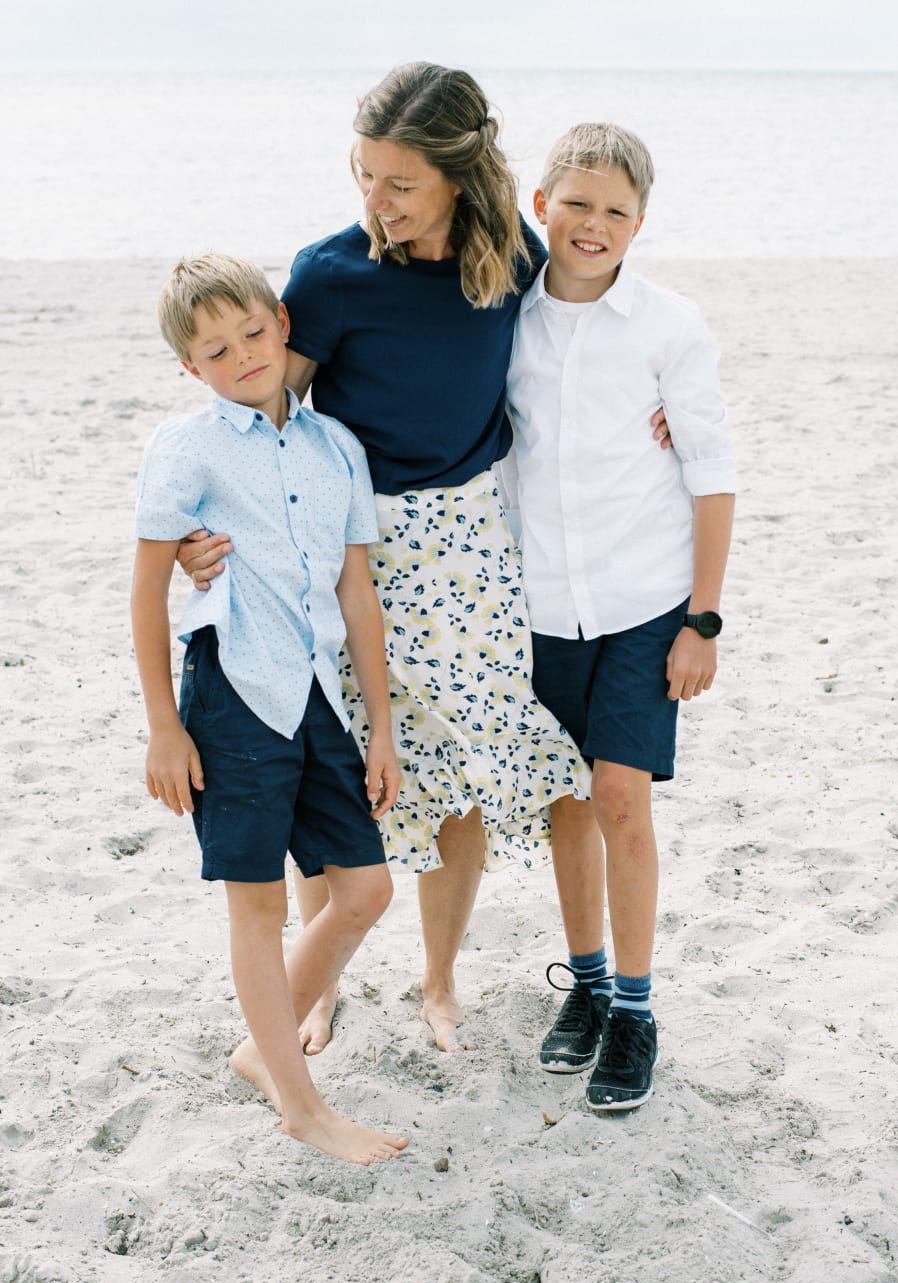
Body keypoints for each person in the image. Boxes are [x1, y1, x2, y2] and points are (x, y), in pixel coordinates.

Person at [180, 63, 605, 1054]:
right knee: (331, 765)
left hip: (468, 545)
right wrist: (207, 520)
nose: (376, 202)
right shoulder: (328, 274)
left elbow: (568, 361)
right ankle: (319, 984)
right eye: (364, 175)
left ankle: (439, 980)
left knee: (453, 772)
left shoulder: (510, 258)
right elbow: (259, 403)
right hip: (343, 542)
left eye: (399, 183)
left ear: (459, 176)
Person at [131, 254, 409, 1164]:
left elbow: (356, 591)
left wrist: (383, 723)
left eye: (253, 332)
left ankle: (266, 1044)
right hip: (233, 696)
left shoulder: (339, 449)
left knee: (366, 887)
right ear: (192, 368)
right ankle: (301, 1103)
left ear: (281, 323)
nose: (243, 355)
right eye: (216, 349)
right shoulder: (186, 447)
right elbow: (145, 590)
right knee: (255, 907)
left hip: (321, 694)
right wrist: (164, 727)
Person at [499, 124, 737, 1111]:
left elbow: (712, 475)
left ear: (640, 222)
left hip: (644, 603)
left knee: (620, 798)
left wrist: (703, 622)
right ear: (540, 205)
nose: (593, 225)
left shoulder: (669, 325)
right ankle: (587, 984)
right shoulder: (501, 317)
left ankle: (635, 1008)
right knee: (564, 800)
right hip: (539, 604)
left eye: (616, 210)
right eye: (577, 203)